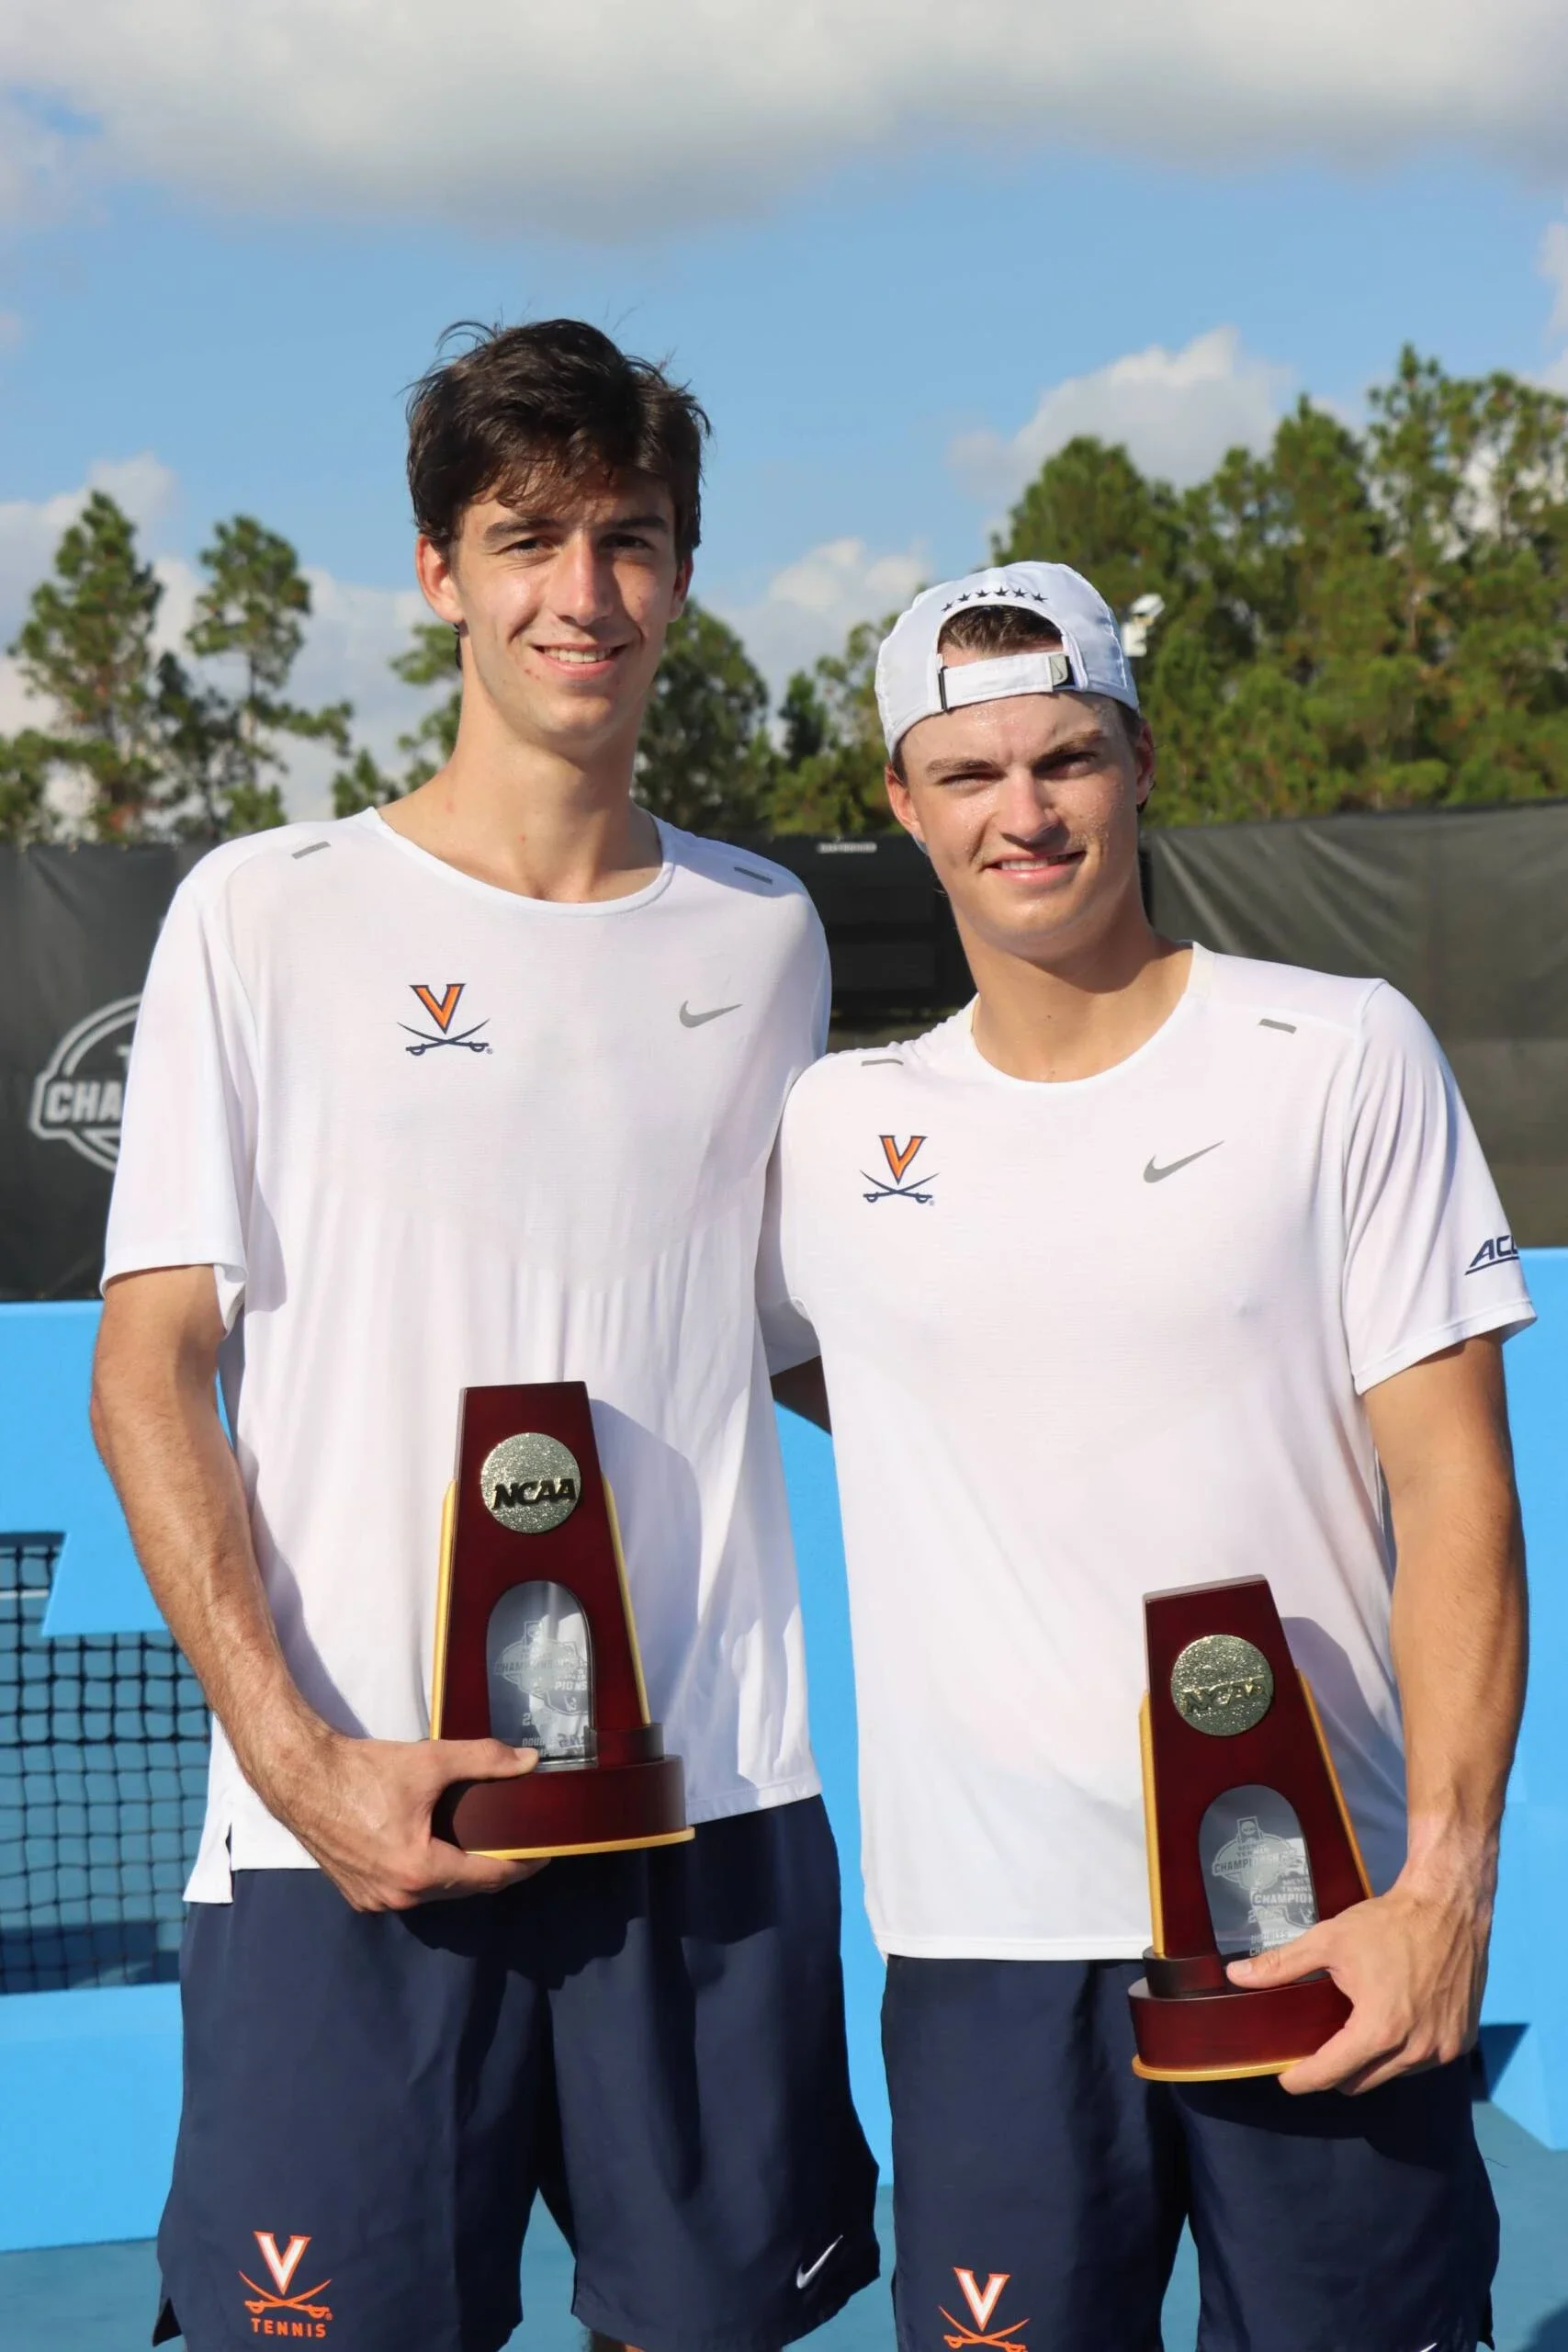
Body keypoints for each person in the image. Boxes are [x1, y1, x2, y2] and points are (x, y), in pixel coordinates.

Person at [91, 320, 877, 2352]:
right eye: (529, 536)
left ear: (684, 576)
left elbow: (808, 1344)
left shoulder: (763, 933)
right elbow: (150, 1361)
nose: (582, 591)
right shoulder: (261, 915)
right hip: (350, 1827)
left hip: (707, 1805)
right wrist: (301, 1760)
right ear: (438, 570)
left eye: (630, 539)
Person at [763, 560, 1531, 2352]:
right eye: (967, 773)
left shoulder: (1338, 1053)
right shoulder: (829, 1129)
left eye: (1065, 760)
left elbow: (1455, 1492)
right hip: (983, 1950)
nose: (1021, 812)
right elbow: (835, 1384)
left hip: (1311, 1911)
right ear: (899, 798)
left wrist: (1442, 1888)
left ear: (1137, 760)